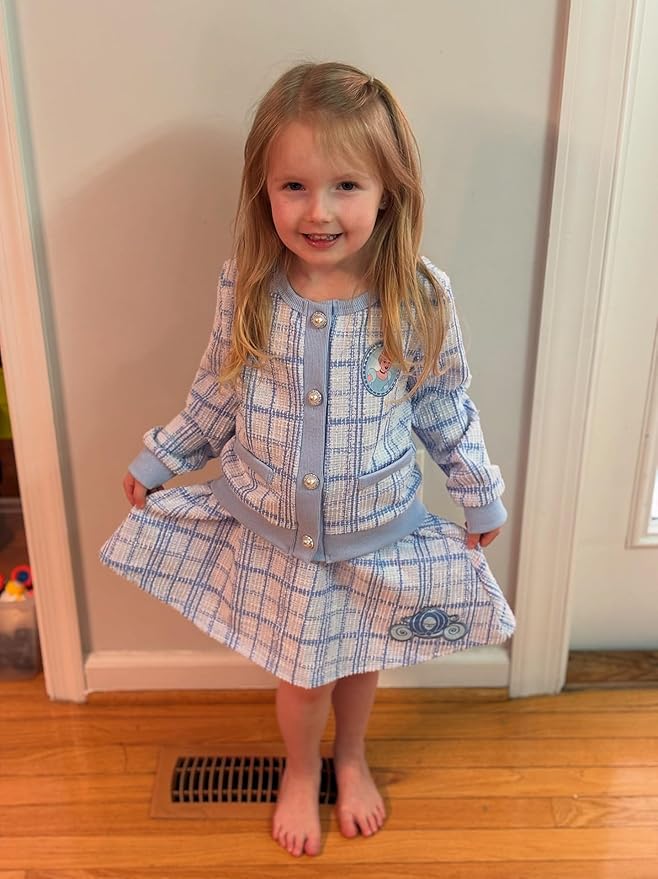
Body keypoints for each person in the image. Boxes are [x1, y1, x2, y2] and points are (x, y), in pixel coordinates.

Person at [100, 61, 515, 858]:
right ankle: (300, 767)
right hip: (279, 537)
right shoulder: (250, 287)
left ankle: (350, 756)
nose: (318, 211)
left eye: (345, 186)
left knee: (360, 659)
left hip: (377, 531)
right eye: (294, 186)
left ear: (387, 191)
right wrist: (161, 459)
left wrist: (478, 491)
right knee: (302, 672)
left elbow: (442, 404)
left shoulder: (418, 296)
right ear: (264, 190)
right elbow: (217, 391)